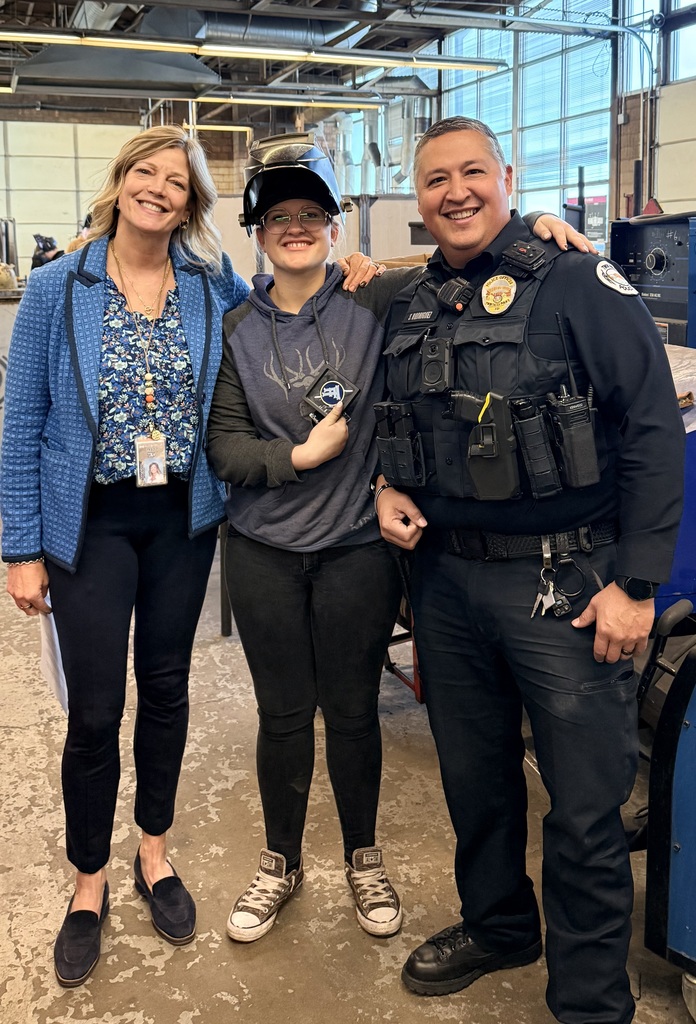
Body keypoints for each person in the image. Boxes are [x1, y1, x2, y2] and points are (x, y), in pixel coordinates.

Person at [206, 132, 595, 946]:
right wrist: (299, 456)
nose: (297, 226)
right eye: (279, 216)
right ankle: (281, 860)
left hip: (354, 550)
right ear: (259, 231)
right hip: (263, 551)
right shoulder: (234, 324)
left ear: (336, 228)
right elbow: (225, 445)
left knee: (352, 713)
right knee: (283, 717)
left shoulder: (379, 299)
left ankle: (362, 855)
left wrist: (545, 228)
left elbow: (473, 260)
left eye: (312, 212)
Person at [374, 115, 685, 1024]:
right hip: (444, 582)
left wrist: (637, 585)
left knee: (585, 809)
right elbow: (399, 417)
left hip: (570, 588)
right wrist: (385, 485)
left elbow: (655, 432)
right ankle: (501, 925)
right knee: (475, 782)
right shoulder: (411, 298)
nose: (456, 192)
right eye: (436, 180)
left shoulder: (582, 280)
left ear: (507, 178)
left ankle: (590, 1001)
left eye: (474, 172)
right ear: (419, 199)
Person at [1, 124, 250, 987]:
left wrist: (361, 273)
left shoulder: (212, 283)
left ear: (190, 202)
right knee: (97, 711)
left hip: (182, 520)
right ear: (120, 183)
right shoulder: (53, 286)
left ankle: (153, 850)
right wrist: (22, 549)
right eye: (145, 172)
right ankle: (89, 882)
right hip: (92, 525)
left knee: (172, 690)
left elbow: (292, 308)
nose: (158, 188)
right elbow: (22, 422)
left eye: (175, 181)